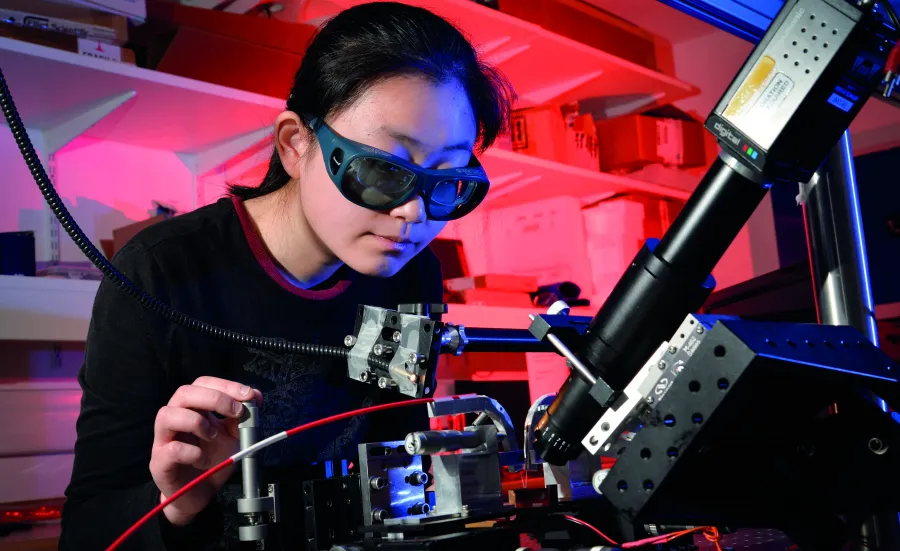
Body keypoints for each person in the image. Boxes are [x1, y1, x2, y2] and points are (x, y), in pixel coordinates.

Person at [59, 3, 514, 549]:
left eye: (445, 180)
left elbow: (397, 458)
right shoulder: (160, 273)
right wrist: (177, 506)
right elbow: (87, 530)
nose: (413, 215)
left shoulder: (410, 275)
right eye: (382, 170)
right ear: (296, 145)